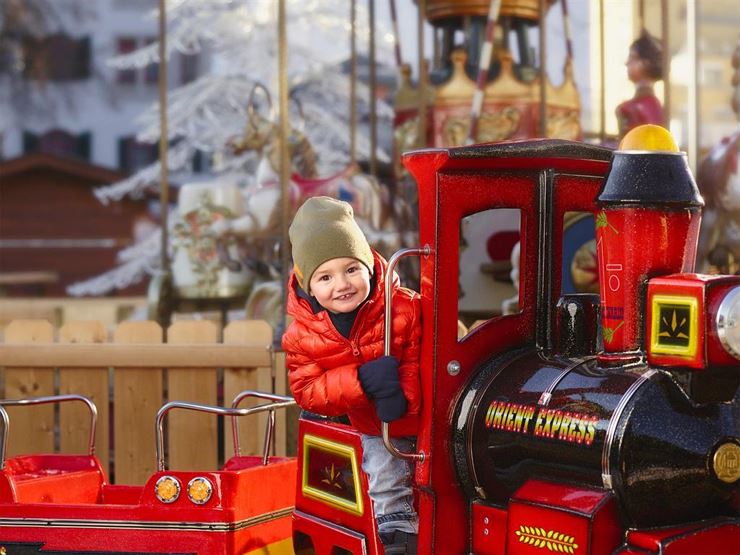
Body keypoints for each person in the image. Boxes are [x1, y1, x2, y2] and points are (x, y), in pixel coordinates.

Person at [282, 196, 421, 555]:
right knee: (384, 468)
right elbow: (308, 389)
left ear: (370, 269)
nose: (342, 284)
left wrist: (401, 391)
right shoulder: (301, 335)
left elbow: (419, 352)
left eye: (351, 270)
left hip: (419, 416)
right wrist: (363, 381)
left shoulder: (402, 306)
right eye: (325, 277)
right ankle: (396, 530)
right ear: (308, 286)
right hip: (369, 424)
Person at [616, 30, 665, 138]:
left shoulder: (646, 105)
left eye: (632, 57)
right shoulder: (644, 104)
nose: (627, 62)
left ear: (646, 63)